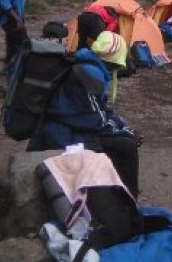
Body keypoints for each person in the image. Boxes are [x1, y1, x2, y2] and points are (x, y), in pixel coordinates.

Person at [26, 42, 141, 198]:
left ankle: (116, 189)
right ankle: (128, 200)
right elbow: (97, 122)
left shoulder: (87, 65)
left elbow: (102, 110)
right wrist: (128, 133)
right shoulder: (90, 76)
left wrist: (125, 128)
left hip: (67, 125)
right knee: (126, 145)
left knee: (121, 138)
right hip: (63, 133)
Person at [0, 0, 43, 67]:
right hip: (10, 20)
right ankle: (25, 71)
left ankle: (8, 69)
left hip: (16, 19)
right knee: (25, 45)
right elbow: (4, 1)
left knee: (12, 46)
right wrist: (18, 19)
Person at [90, 29, 129, 103]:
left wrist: (92, 45)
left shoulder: (101, 37)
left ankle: (99, 97)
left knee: (102, 78)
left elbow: (96, 49)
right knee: (108, 77)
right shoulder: (113, 35)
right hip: (119, 61)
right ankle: (105, 96)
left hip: (109, 60)